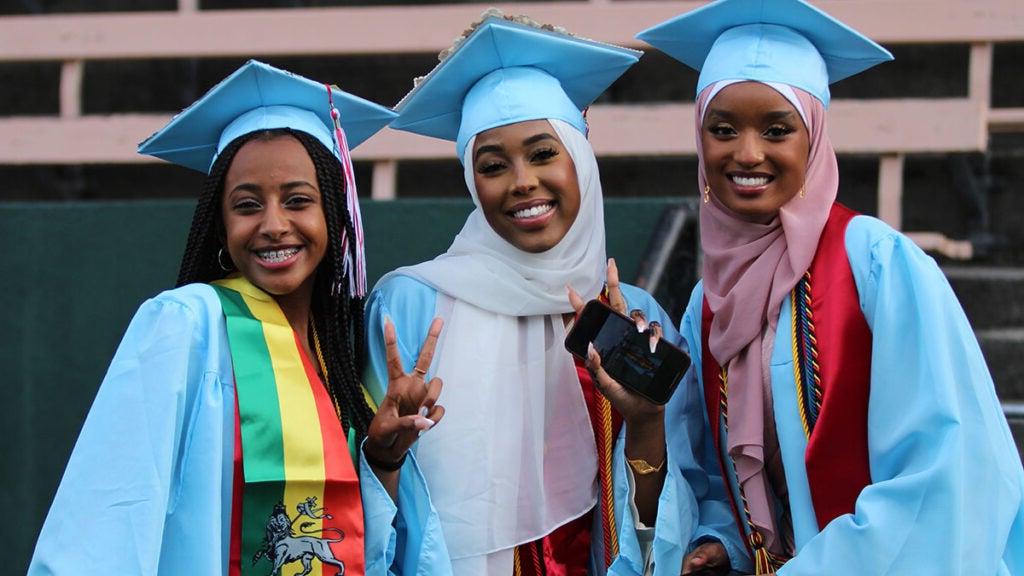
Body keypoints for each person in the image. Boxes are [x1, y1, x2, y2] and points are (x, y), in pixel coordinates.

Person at [620, 0, 1024, 574]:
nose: (747, 152)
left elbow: (947, 472)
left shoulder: (877, 265)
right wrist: (721, 542)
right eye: (723, 129)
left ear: (814, 140)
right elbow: (714, 475)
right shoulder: (707, 303)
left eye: (778, 130)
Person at [28, 60, 449, 575]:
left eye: (298, 201)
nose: (274, 225)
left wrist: (383, 458)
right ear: (220, 224)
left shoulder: (339, 356)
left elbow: (358, 549)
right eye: (247, 205)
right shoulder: (187, 326)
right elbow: (108, 521)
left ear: (334, 215)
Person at [361, 11, 725, 576]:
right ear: (470, 180)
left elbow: (668, 537)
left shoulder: (633, 316)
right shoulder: (412, 305)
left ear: (580, 160)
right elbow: (375, 504)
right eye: (492, 165)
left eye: (543, 153)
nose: (522, 181)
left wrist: (645, 423)